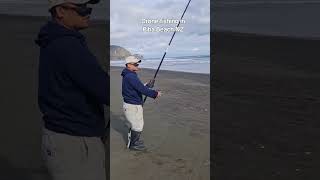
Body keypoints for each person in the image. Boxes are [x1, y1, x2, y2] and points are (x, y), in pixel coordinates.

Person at [35, 0, 108, 179]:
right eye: (82, 8)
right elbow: (105, 89)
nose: (88, 12)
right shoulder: (68, 45)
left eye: (89, 8)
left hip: (60, 136)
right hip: (74, 141)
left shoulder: (53, 39)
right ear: (60, 11)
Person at [121, 55, 162, 151]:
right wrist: (155, 94)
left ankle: (134, 141)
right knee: (138, 126)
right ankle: (133, 145)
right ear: (129, 65)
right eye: (135, 64)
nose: (137, 65)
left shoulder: (129, 75)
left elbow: (137, 87)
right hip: (132, 106)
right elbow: (142, 90)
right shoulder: (130, 76)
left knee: (136, 124)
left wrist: (147, 85)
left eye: (137, 64)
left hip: (131, 104)